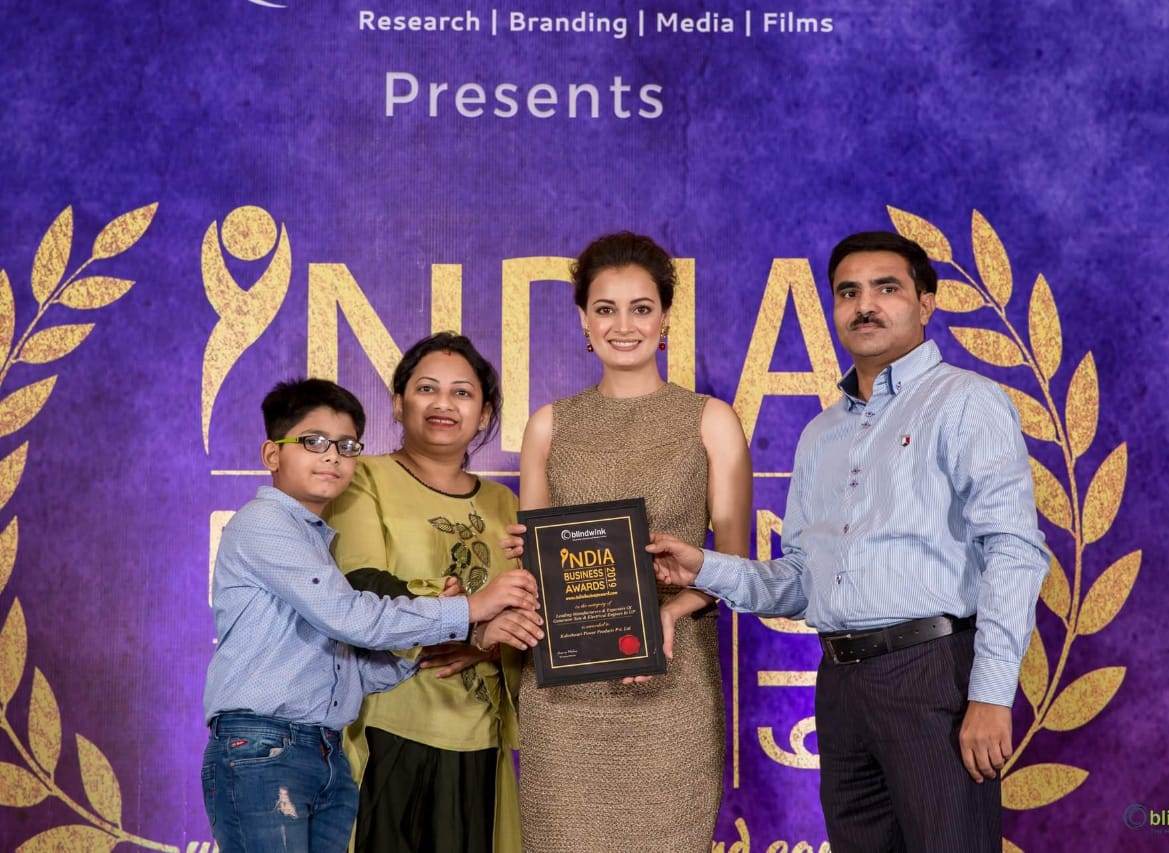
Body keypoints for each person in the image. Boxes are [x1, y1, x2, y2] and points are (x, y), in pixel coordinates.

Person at [648, 231, 1050, 853]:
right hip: (840, 685)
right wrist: (703, 566)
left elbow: (1014, 551)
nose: (865, 305)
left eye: (886, 288)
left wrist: (991, 695)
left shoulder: (965, 402)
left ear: (926, 302)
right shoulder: (821, 433)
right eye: (848, 292)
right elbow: (800, 582)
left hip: (935, 676)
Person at [201, 377, 538, 853]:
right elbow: (349, 618)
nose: (332, 457)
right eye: (313, 442)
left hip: (323, 751)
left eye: (346, 446)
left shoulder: (318, 539)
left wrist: (458, 639)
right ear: (272, 455)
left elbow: (352, 664)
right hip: (264, 747)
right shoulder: (265, 524)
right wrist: (469, 609)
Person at [503, 232, 752, 851]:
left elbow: (736, 566)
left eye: (641, 308)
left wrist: (669, 613)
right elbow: (541, 567)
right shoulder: (548, 425)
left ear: (665, 318)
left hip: (673, 684)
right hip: (565, 701)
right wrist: (525, 564)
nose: (623, 326)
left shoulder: (710, 420)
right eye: (605, 309)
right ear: (583, 320)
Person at [326, 334, 542, 853]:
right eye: (427, 389)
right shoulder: (363, 478)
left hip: (480, 732)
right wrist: (472, 622)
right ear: (398, 403)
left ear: (484, 413)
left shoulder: (505, 503)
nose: (444, 404)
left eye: (462, 393)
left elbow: (529, 613)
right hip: (391, 723)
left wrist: (489, 643)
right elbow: (361, 584)